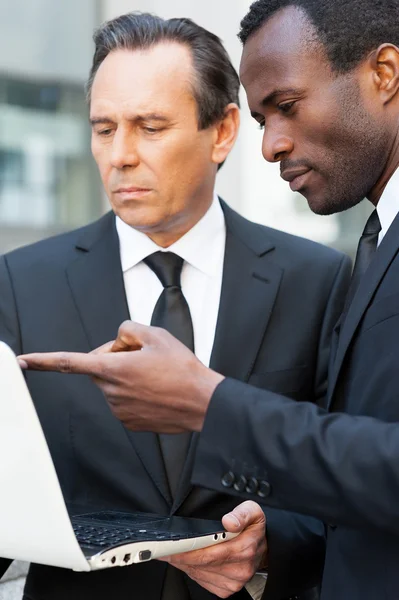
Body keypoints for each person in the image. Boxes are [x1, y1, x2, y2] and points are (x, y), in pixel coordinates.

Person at [19, 1, 399, 599]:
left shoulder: (319, 279)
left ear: (220, 132)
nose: (120, 155)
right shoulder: (16, 283)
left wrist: (273, 538)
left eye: (150, 126)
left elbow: (343, 476)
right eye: (103, 128)